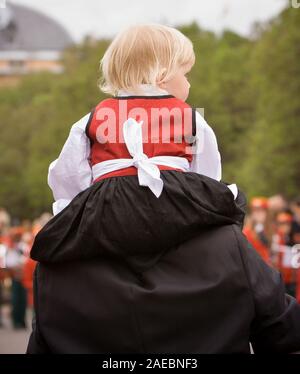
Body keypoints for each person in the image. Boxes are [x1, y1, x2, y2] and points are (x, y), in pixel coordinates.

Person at [27, 24, 300, 354]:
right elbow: (207, 172)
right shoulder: (191, 118)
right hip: (180, 197)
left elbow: (67, 175)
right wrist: (206, 209)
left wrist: (77, 212)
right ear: (161, 73)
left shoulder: (90, 119)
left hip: (105, 201)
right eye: (185, 73)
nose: (189, 83)